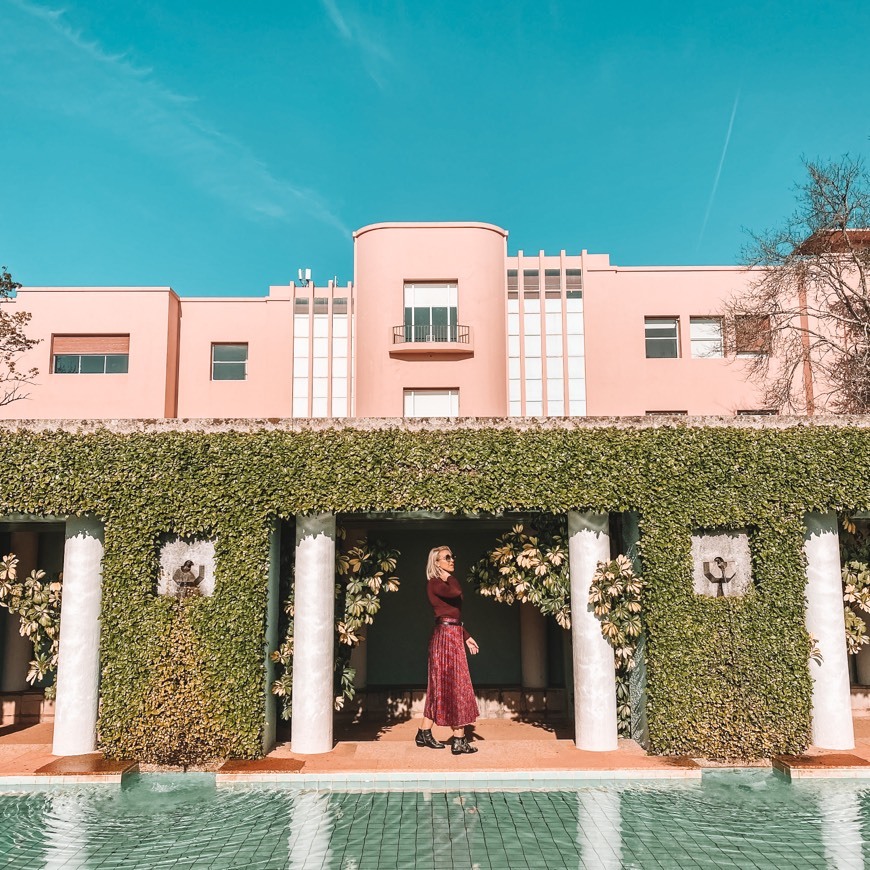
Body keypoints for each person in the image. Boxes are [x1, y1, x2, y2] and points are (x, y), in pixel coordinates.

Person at [415, 546, 480, 755]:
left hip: (452, 634)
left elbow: (453, 617)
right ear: (436, 562)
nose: (452, 560)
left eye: (453, 556)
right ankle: (458, 740)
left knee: (444, 686)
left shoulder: (442, 582)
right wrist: (450, 577)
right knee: (453, 685)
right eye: (447, 557)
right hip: (445, 638)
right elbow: (455, 593)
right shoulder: (435, 583)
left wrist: (466, 636)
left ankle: (424, 732)